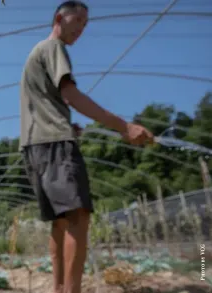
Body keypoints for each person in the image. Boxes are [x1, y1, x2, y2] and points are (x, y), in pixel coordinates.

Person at [18, 1, 154, 293]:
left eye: (85, 23)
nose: (80, 28)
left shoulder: (36, 53)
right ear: (59, 18)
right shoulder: (53, 48)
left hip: (34, 145)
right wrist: (124, 126)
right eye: (77, 19)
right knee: (78, 216)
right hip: (54, 142)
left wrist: (69, 125)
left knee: (59, 221)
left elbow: (48, 102)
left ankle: (59, 289)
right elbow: (70, 94)